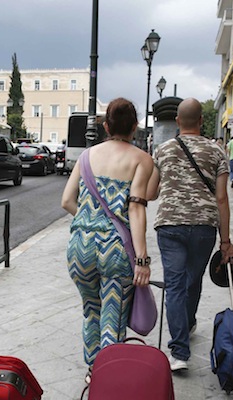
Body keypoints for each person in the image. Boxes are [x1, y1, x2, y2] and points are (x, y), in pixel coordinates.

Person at [61, 98, 154, 370]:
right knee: (113, 318)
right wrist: (142, 260)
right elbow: (136, 209)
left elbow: (67, 201)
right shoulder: (142, 160)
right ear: (135, 127)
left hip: (80, 247)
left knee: (91, 312)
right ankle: (108, 379)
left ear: (105, 126)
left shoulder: (86, 156)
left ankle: (92, 371)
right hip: (114, 250)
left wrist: (91, 220)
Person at [146, 98, 233, 372]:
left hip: (170, 225)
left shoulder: (163, 150)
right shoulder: (217, 151)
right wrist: (226, 240)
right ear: (201, 121)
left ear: (177, 122)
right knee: (193, 280)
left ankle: (179, 352)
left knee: (174, 285)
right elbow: (222, 199)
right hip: (204, 226)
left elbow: (151, 194)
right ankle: (189, 322)